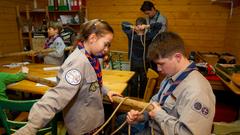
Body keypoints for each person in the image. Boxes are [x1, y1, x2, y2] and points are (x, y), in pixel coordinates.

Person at [14, 19, 121, 135]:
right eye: (106, 44)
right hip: (84, 128)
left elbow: (91, 82)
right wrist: (31, 127)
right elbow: (57, 96)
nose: (107, 49)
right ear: (92, 38)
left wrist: (105, 91)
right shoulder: (79, 64)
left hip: (93, 122)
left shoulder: (92, 58)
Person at [124, 32, 216, 135]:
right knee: (122, 121)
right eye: (157, 64)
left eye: (161, 64)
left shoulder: (197, 90)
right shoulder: (171, 75)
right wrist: (142, 117)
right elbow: (156, 103)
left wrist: (159, 115)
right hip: (152, 128)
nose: (158, 69)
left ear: (178, 57)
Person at [121, 17, 162, 98]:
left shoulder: (138, 36)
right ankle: (137, 98)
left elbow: (123, 24)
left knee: (138, 82)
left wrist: (132, 27)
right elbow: (158, 26)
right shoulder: (138, 35)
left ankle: (136, 99)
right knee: (138, 82)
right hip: (138, 63)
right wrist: (147, 26)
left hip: (143, 63)